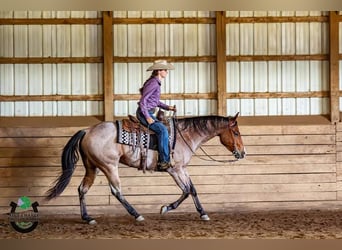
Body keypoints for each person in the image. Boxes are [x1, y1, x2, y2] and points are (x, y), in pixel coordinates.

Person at [136, 60, 177, 171]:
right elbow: (143, 101)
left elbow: (155, 101)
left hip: (148, 111)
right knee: (163, 130)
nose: (167, 72)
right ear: (159, 71)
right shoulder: (154, 83)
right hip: (145, 113)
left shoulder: (155, 82)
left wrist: (168, 107)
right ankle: (164, 161)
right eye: (165, 70)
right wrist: (148, 117)